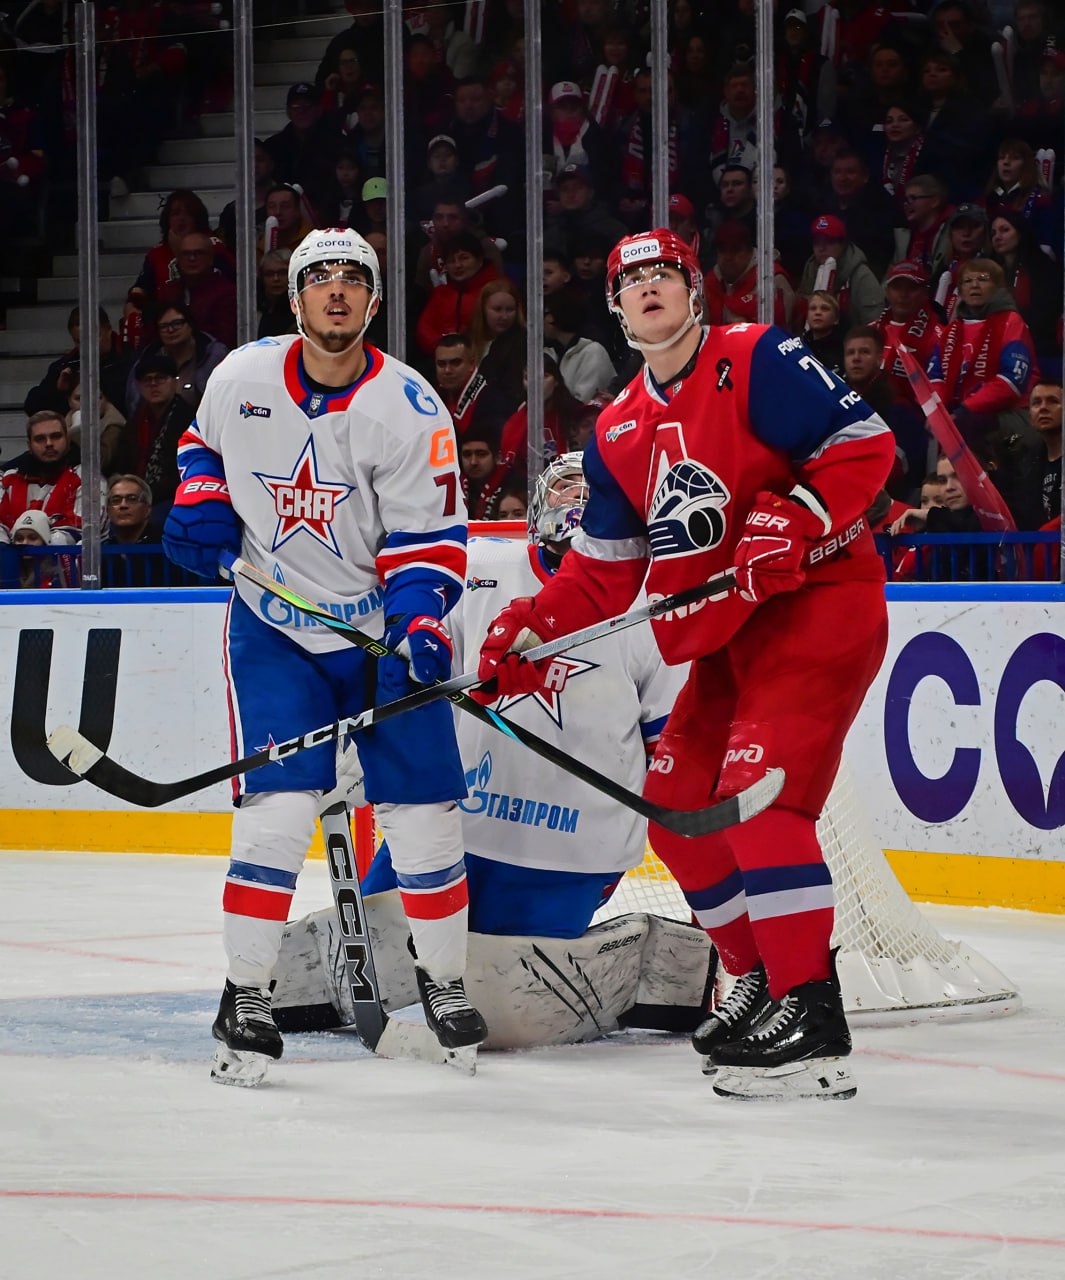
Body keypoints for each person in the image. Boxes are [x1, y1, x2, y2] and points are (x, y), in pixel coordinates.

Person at [476, 229, 895, 1101]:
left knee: (760, 808)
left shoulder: (755, 356)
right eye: (631, 281)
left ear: (694, 292)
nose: (649, 289)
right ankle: (753, 978)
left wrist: (798, 516)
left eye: (665, 274)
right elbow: (602, 571)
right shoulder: (619, 426)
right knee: (675, 811)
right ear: (616, 308)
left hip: (817, 608)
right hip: (731, 638)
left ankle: (810, 1007)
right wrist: (528, 633)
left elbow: (864, 447)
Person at [161, 228, 488, 1084]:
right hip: (274, 626)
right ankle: (245, 994)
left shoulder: (411, 410)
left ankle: (443, 982)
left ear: (374, 303)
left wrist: (419, 624)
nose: (336, 292)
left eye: (353, 280)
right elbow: (201, 447)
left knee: (424, 815)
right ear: (295, 299)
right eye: (319, 280)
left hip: (381, 631)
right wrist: (199, 496)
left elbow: (431, 538)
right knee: (278, 808)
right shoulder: (240, 378)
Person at [272, 455, 707, 1048]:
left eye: (595, 495)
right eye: (565, 492)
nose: (578, 506)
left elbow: (668, 742)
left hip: (569, 851)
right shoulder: (476, 571)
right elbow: (405, 665)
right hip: (449, 825)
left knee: (506, 1015)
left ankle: (651, 958)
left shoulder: (653, 607)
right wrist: (363, 732)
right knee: (367, 972)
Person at [0, 411, 103, 545]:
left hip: (63, 564)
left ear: (67, 439)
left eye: (56, 436)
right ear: (29, 445)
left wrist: (38, 544)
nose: (49, 443)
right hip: (13, 564)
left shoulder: (87, 478)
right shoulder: (9, 479)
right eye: (40, 439)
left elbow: (83, 529)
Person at [111, 355, 193, 514]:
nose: (153, 384)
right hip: (134, 496)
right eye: (147, 380)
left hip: (173, 498)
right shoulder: (135, 422)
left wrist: (145, 495)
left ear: (175, 382)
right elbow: (121, 464)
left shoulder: (188, 419)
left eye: (160, 378)